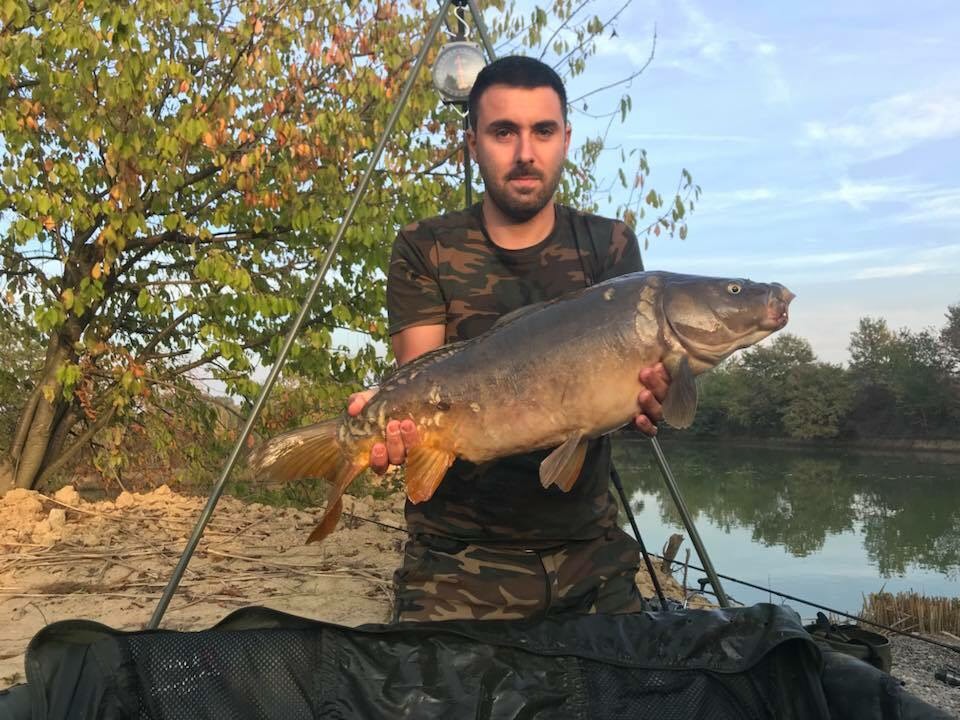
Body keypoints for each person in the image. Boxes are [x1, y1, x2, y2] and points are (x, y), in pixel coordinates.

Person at [349, 55, 670, 622]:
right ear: (472, 143)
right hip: (455, 557)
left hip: (589, 552)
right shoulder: (425, 246)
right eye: (504, 132)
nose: (525, 152)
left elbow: (629, 397)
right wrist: (393, 424)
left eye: (542, 131)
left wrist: (652, 401)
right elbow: (423, 380)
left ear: (565, 139)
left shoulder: (610, 246)